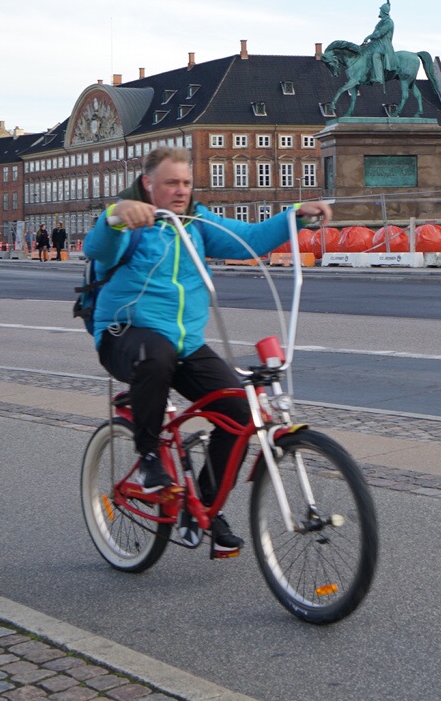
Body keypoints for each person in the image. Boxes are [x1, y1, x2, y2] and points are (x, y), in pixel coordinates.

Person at [84, 146, 331, 553]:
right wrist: (115, 217)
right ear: (149, 184)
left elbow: (247, 240)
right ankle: (148, 460)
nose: (180, 191)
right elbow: (99, 247)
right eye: (171, 184)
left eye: (186, 183)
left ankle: (202, 507)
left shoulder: (196, 223)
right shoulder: (132, 221)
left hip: (186, 344)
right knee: (156, 354)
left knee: (239, 412)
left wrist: (296, 215)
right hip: (123, 333)